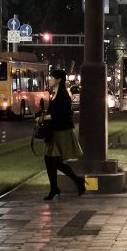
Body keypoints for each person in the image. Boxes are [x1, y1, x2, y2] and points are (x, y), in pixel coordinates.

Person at [39, 67, 84, 199]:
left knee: (53, 161)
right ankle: (56, 188)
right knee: (50, 160)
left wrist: (42, 118)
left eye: (52, 77)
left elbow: (58, 114)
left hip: (62, 132)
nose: (50, 79)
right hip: (55, 131)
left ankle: (73, 183)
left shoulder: (64, 95)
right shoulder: (55, 94)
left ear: (58, 79)